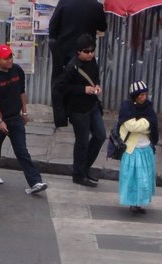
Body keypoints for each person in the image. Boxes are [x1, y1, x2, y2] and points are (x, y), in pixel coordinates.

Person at [0, 45, 47, 197]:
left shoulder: (17, 71)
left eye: (11, 57)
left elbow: (21, 92)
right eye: (6, 58)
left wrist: (24, 111)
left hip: (15, 118)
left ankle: (35, 182)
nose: (10, 61)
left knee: (22, 151)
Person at [55, 34, 106, 187]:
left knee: (100, 135)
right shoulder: (72, 66)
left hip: (92, 105)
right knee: (82, 142)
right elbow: (61, 87)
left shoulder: (93, 61)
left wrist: (97, 86)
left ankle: (85, 168)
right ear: (79, 51)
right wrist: (83, 89)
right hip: (78, 110)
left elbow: (95, 77)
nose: (90, 54)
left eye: (92, 51)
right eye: (86, 51)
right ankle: (78, 174)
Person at [48, 0, 107, 125]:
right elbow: (103, 27)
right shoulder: (96, 6)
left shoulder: (64, 2)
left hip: (65, 52)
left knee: (62, 84)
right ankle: (83, 116)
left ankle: (63, 117)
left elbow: (53, 26)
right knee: (86, 83)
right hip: (86, 52)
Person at [116, 81, 158, 215]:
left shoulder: (148, 107)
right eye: (141, 95)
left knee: (144, 178)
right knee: (134, 178)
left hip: (145, 148)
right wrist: (147, 124)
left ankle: (139, 202)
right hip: (132, 149)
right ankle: (133, 203)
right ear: (135, 96)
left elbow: (153, 123)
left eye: (145, 94)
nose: (144, 97)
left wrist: (144, 125)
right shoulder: (126, 107)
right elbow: (132, 126)